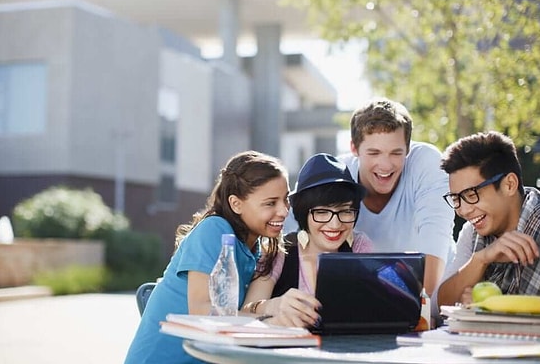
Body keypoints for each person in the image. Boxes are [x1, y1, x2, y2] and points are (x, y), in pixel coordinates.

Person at [124, 151, 291, 364]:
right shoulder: (214, 229)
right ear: (236, 204)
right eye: (270, 203)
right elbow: (202, 312)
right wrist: (271, 319)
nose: (284, 211)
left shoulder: (258, 250)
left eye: (286, 200)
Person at [338, 98, 456, 296]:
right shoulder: (338, 175)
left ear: (408, 149)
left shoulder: (427, 163)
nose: (385, 165)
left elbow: (436, 237)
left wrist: (425, 311)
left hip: (437, 293)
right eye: (374, 153)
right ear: (354, 149)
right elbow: (299, 238)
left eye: (396, 153)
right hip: (369, 295)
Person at [241, 153, 373, 328]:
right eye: (321, 212)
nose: (335, 224)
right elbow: (245, 312)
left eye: (345, 211)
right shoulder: (280, 250)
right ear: (304, 213)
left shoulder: (359, 246)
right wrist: (272, 306)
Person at [436, 131, 540, 308]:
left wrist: (494, 308)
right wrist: (481, 260)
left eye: (471, 194)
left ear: (509, 184)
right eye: (456, 198)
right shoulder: (472, 232)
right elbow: (440, 304)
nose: (463, 210)